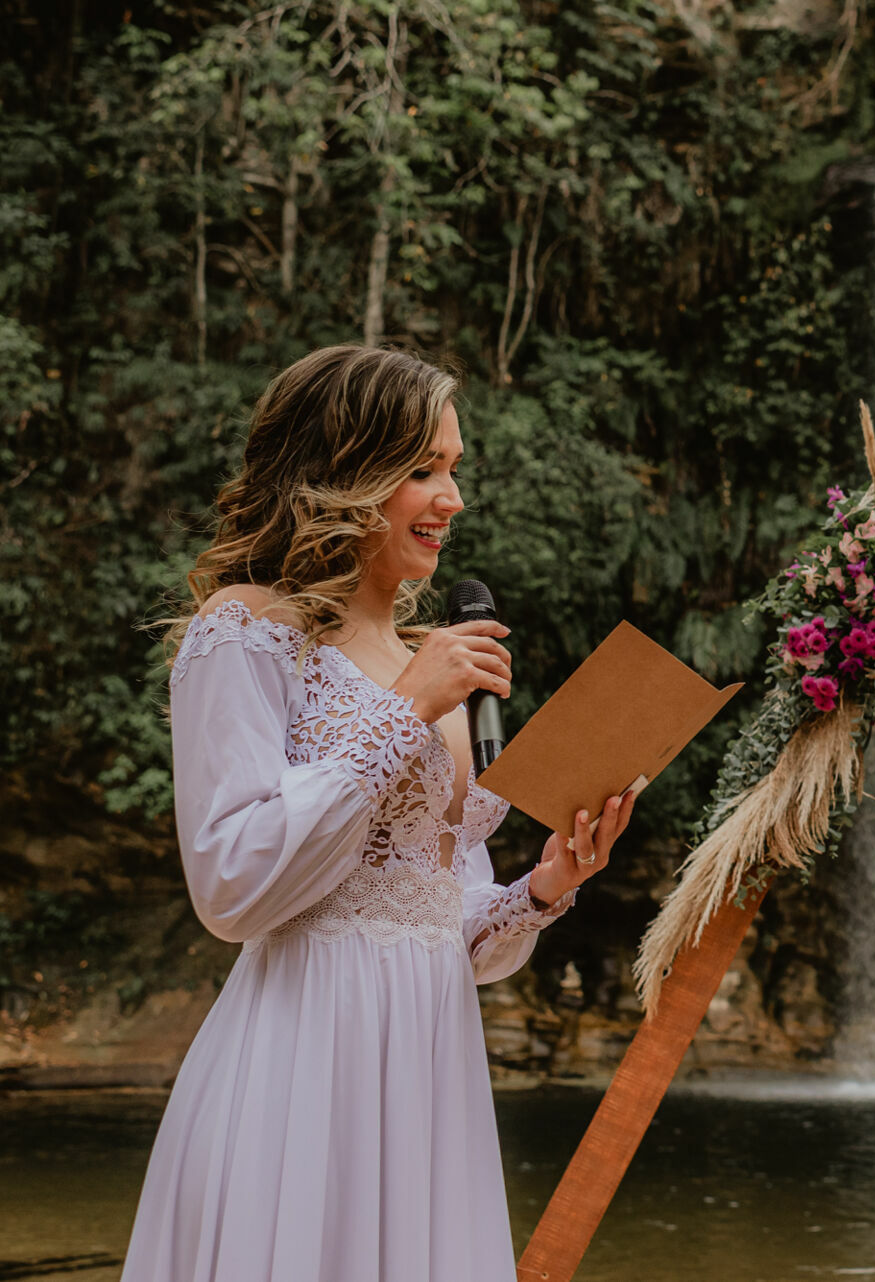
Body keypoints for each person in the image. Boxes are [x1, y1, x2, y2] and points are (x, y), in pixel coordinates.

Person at [122, 345, 640, 1282]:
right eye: (424, 470)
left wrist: (544, 887)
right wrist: (405, 713)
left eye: (454, 470)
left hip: (432, 1068)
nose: (454, 499)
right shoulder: (248, 629)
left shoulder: (430, 659)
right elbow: (230, 887)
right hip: (303, 1059)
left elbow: (437, 916)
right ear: (345, 473)